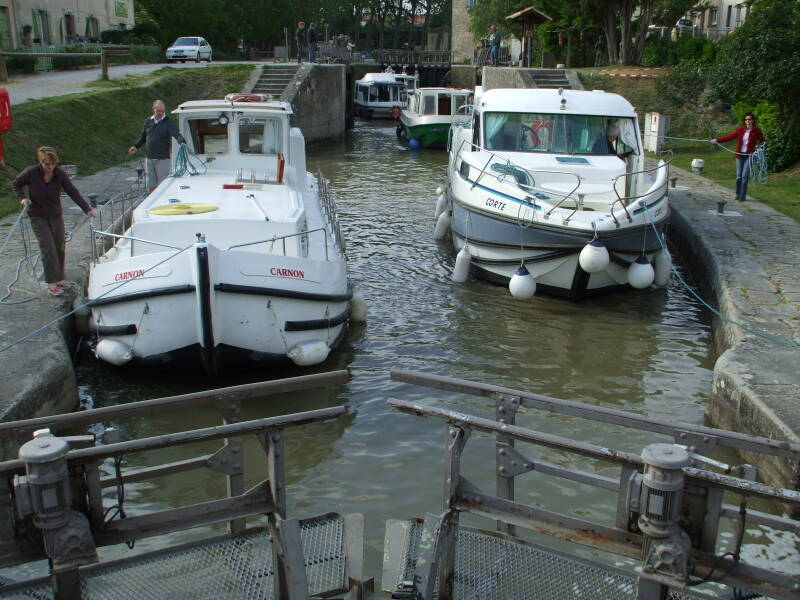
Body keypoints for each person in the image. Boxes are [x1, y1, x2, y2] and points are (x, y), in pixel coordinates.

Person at [11, 146, 96, 296]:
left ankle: (59, 279)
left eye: (53, 164)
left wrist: (86, 208)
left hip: (56, 215)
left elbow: (72, 191)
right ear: (41, 162)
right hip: (37, 216)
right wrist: (22, 198)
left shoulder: (59, 174)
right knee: (48, 247)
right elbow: (16, 184)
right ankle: (51, 283)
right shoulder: (31, 172)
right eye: (46, 164)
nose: (50, 167)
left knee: (59, 247)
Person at [128, 99, 186, 194]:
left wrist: (182, 141)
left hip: (162, 159)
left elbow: (176, 134)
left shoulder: (168, 122)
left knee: (163, 185)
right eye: (158, 111)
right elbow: (143, 137)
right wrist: (135, 146)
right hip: (150, 159)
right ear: (153, 109)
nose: (160, 113)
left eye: (162, 111)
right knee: (151, 185)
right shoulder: (148, 121)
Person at [713, 112, 766, 201]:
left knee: (745, 176)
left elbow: (763, 141)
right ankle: (737, 194)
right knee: (739, 176)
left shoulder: (757, 131)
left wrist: (759, 149)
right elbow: (729, 137)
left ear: (753, 121)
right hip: (740, 155)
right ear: (744, 121)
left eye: (749, 119)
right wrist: (717, 140)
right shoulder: (740, 129)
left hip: (749, 156)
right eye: (746, 119)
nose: (747, 121)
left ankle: (742, 196)